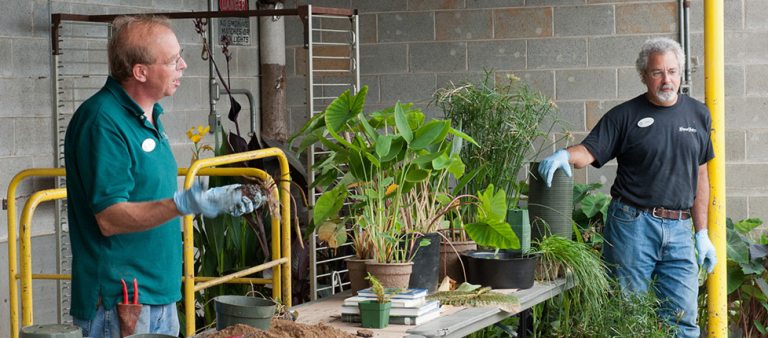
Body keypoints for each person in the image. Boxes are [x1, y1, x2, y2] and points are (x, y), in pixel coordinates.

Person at [64, 15, 255, 337]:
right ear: (140, 72)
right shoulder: (102, 121)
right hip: (122, 298)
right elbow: (109, 218)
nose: (182, 66)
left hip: (158, 291)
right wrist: (183, 204)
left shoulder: (149, 115)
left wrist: (210, 201)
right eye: (172, 60)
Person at [537, 37, 717, 338]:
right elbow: (590, 150)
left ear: (681, 73)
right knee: (626, 313)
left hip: (680, 230)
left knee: (684, 320)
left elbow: (701, 175)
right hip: (633, 226)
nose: (666, 79)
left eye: (672, 71)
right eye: (658, 72)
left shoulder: (699, 115)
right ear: (644, 75)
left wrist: (702, 234)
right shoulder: (625, 116)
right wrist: (565, 155)